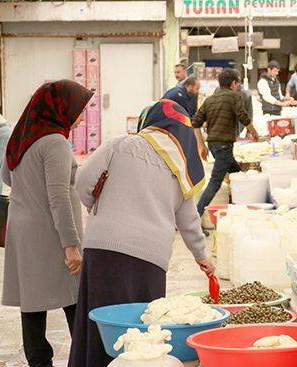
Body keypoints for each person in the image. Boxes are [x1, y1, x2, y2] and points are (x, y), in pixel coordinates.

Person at [69, 99, 215, 367]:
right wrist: (201, 255)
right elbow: (188, 219)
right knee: (143, 332)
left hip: (103, 249)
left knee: (100, 323)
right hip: (150, 259)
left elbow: (82, 182)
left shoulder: (119, 145)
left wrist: (103, 210)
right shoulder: (180, 167)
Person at [2, 80, 91, 367]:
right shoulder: (55, 142)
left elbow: (7, 176)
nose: (81, 117)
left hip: (22, 229)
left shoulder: (21, 136)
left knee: (32, 301)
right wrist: (71, 245)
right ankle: (83, 358)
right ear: (61, 108)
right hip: (50, 231)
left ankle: (39, 362)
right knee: (74, 298)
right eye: (79, 110)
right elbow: (59, 197)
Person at [192, 68, 259, 216]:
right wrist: (254, 132)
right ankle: (195, 216)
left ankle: (241, 209)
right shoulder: (234, 96)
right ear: (234, 83)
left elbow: (195, 123)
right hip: (223, 146)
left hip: (214, 145)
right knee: (215, 181)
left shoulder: (210, 99)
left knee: (238, 174)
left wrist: (201, 145)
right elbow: (243, 116)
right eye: (237, 83)